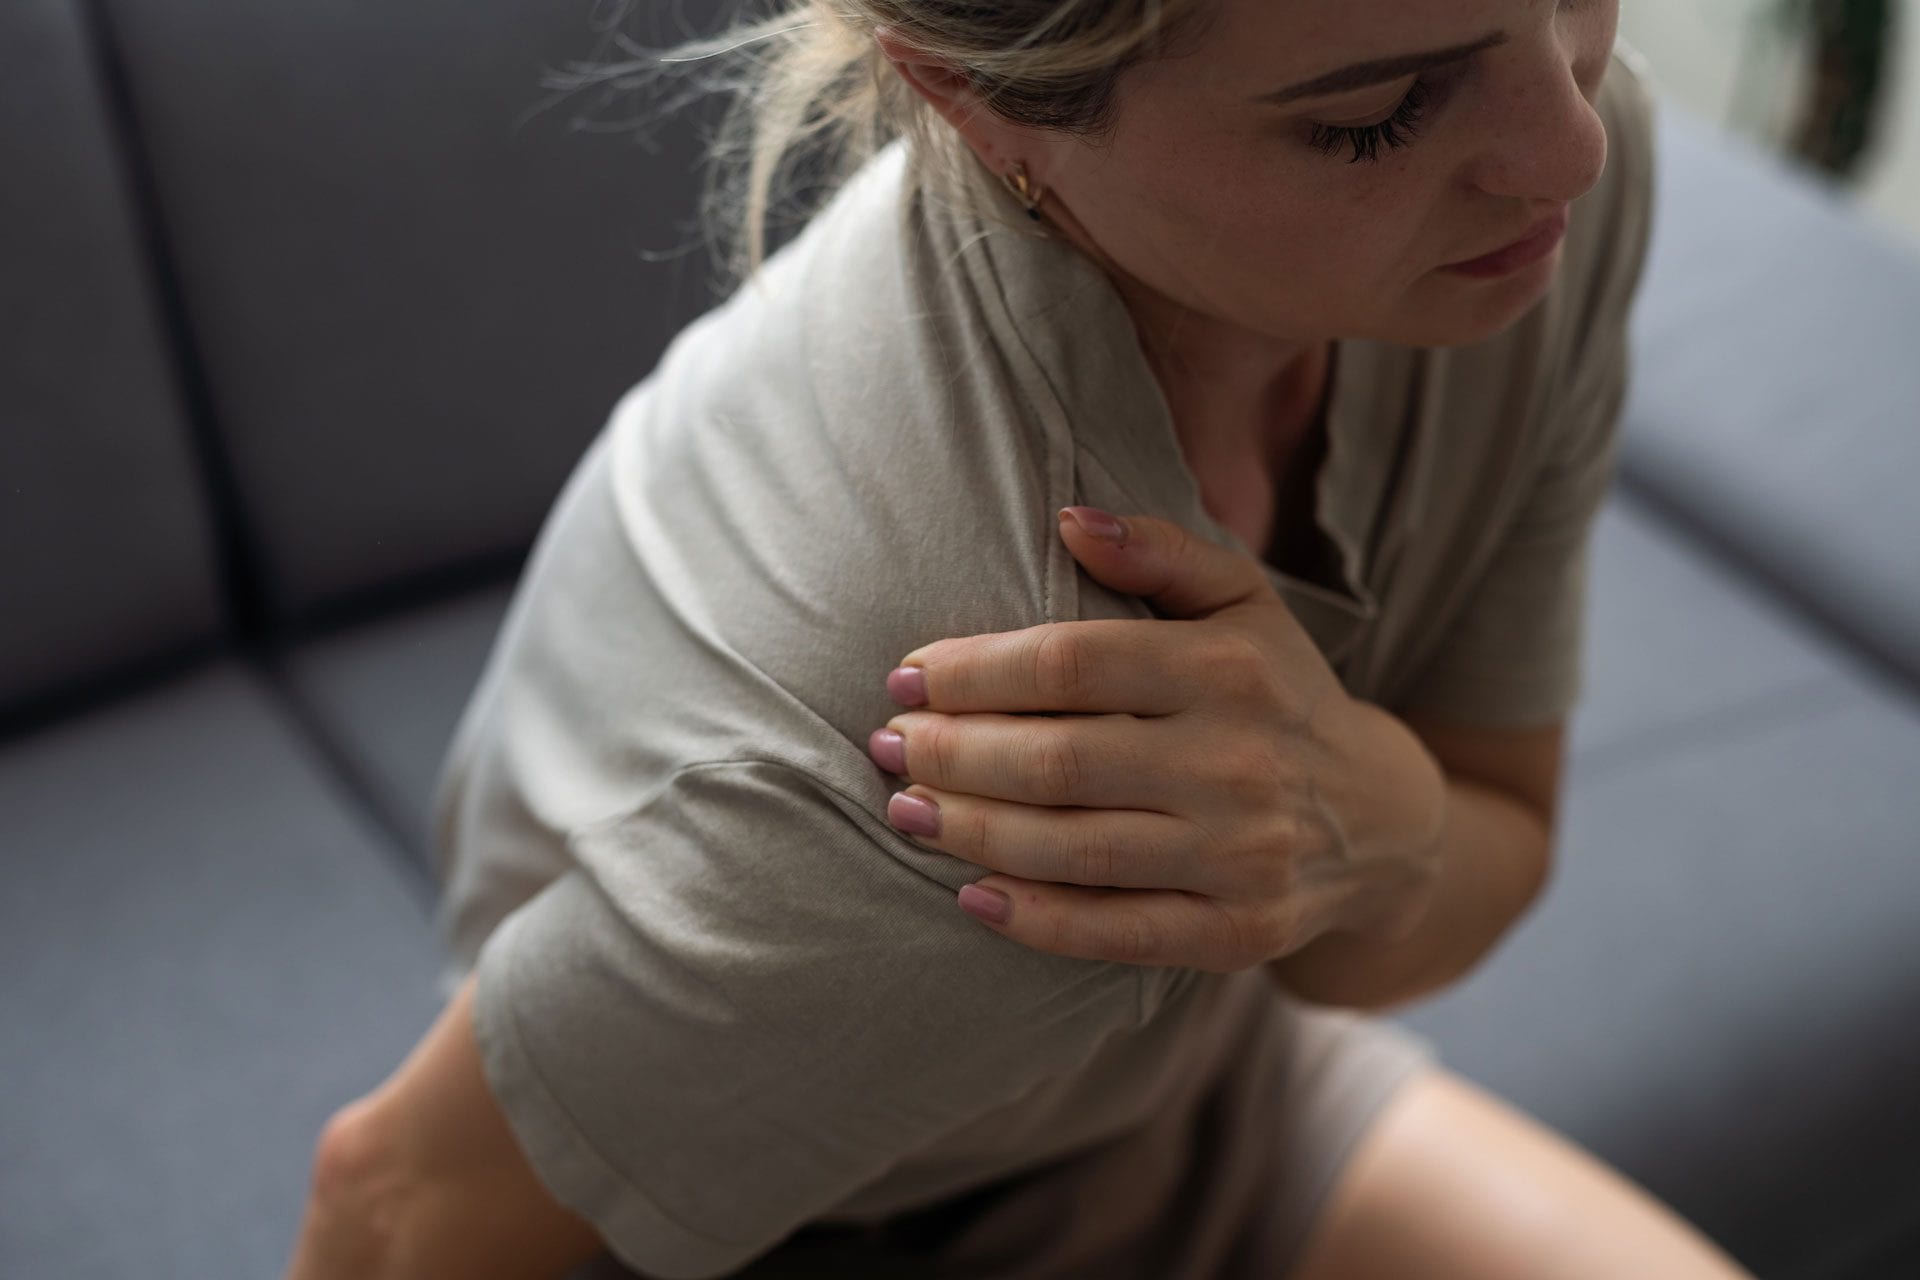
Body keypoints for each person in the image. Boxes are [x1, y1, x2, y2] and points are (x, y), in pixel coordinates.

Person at [284, 1, 1758, 1277]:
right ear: (975, 100)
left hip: (1167, 1119)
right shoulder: (965, 753)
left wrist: (1369, 822)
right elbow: (393, 1209)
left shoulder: (1535, 210)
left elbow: (1464, 854)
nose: (1573, 141)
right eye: (1374, 117)